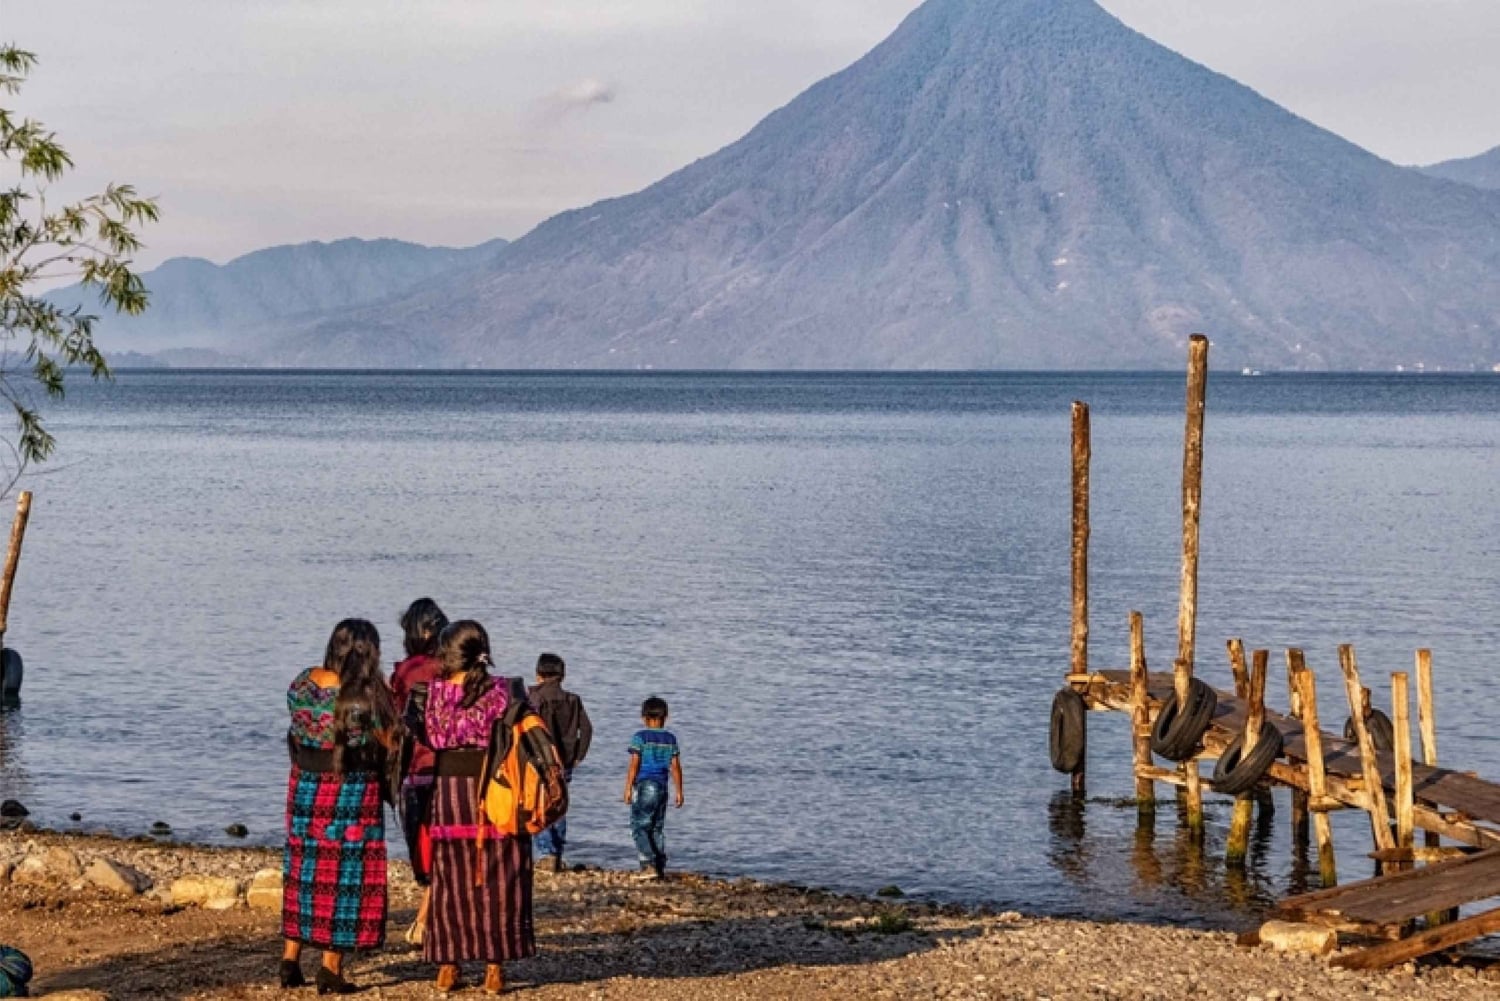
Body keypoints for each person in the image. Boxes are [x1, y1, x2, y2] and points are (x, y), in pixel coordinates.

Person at [280, 618, 397, 994]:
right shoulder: (367, 694)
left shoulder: (302, 683)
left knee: (304, 869)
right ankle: (330, 968)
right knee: (345, 877)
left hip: (304, 788)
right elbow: (390, 741)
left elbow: (298, 729)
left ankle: (290, 960)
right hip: (350, 791)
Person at [423, 620, 535, 994]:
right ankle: (494, 968)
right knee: (499, 877)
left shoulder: (436, 692)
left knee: (450, 877)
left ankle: (449, 965)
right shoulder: (506, 690)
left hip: (451, 791)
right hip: (497, 788)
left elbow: (436, 737)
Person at [390, 597, 449, 943]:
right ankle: (429, 912)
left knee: (422, 847)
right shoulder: (452, 666)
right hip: (451, 769)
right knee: (442, 843)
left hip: (417, 768)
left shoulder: (407, 671)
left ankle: (426, 914)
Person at [527, 652, 592, 872]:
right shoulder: (573, 700)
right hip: (565, 761)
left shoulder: (534, 698)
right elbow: (587, 729)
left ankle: (547, 853)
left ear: (538, 675)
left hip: (539, 761)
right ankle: (557, 851)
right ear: (562, 676)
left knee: (539, 806)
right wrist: (578, 755)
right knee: (559, 806)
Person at [623, 696, 684, 881]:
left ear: (644, 717)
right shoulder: (670, 739)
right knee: (656, 827)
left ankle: (648, 863)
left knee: (639, 826)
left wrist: (627, 787)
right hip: (662, 788)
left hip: (645, 785)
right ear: (666, 717)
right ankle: (658, 865)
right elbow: (675, 766)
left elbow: (634, 764)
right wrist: (679, 791)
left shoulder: (640, 737)